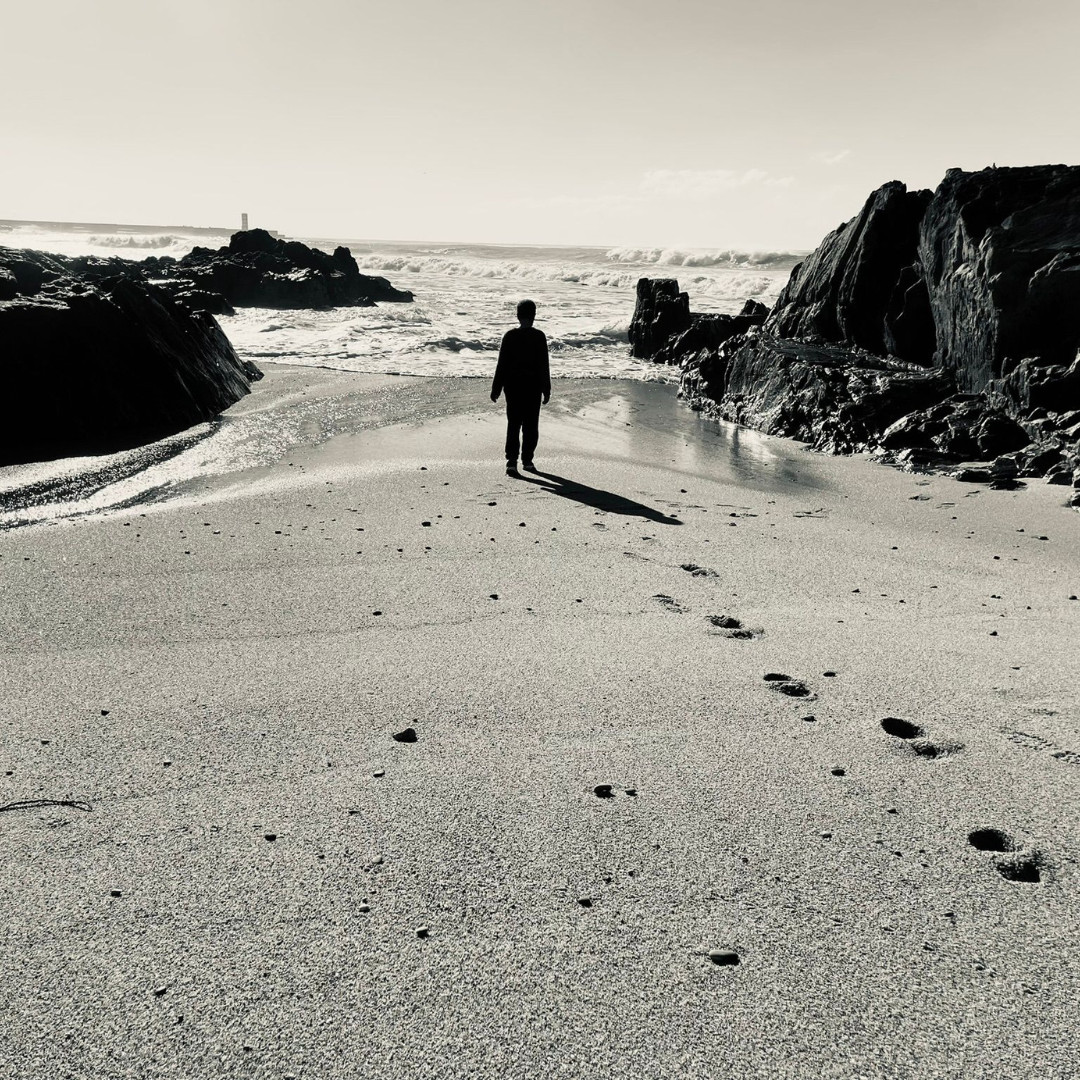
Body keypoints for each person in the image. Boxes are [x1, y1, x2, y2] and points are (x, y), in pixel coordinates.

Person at [490, 298, 550, 476]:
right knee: (531, 425)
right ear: (534, 316)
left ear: (517, 315)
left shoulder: (510, 336)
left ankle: (511, 461)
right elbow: (543, 366)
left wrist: (496, 388)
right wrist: (546, 389)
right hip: (533, 388)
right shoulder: (539, 336)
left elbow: (502, 365)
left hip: (513, 387)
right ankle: (528, 460)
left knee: (513, 424)